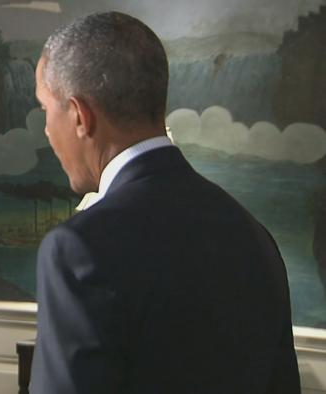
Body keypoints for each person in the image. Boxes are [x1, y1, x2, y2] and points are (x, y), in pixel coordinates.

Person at [30, 12, 300, 394]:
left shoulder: (79, 250)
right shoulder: (254, 236)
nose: (45, 128)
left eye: (45, 108)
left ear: (79, 115)